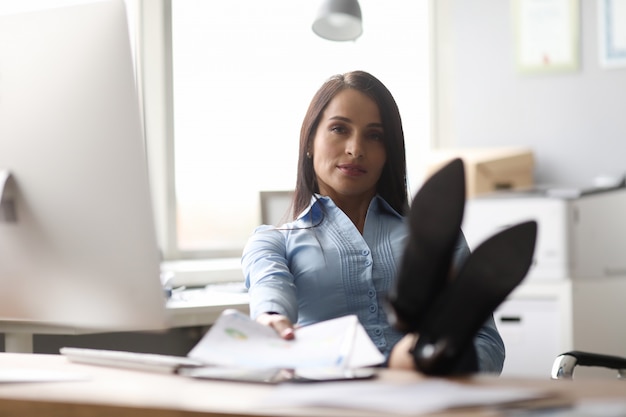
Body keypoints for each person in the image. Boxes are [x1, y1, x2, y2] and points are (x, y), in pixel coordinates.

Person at [241, 70, 505, 374]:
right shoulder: (273, 241)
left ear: (388, 152)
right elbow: (269, 290)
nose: (356, 149)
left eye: (375, 135)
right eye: (339, 129)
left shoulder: (435, 236)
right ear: (310, 141)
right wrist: (270, 319)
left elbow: (486, 340)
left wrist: (443, 364)